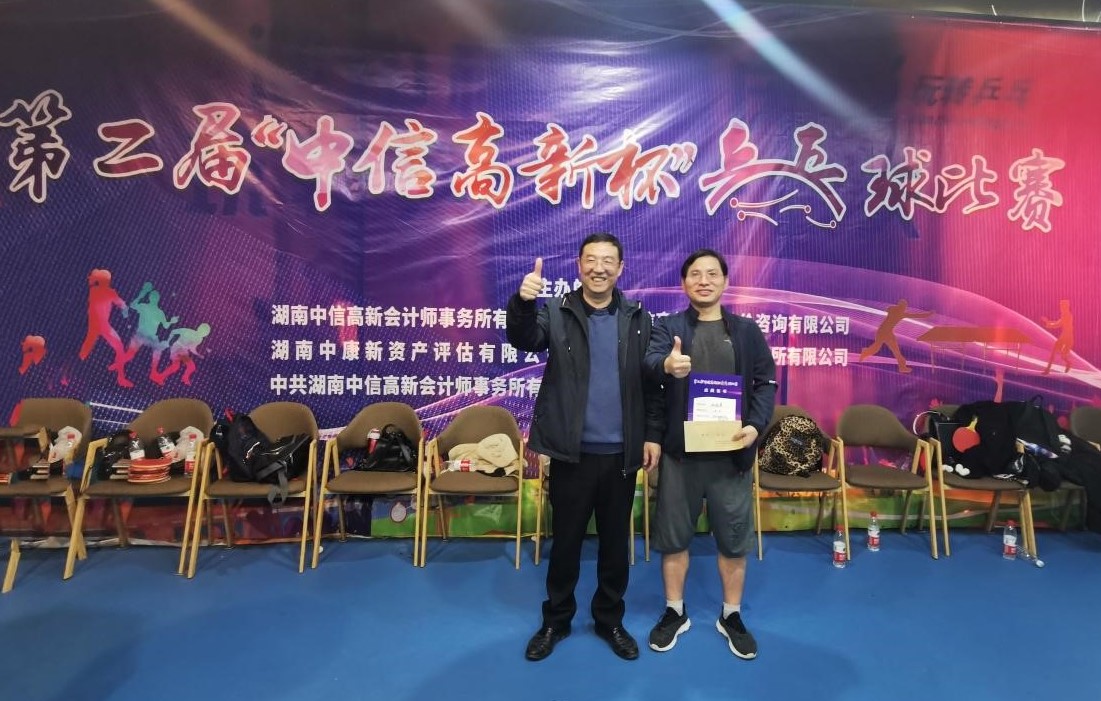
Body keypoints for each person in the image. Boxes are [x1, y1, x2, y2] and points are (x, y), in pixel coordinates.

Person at [507, 232, 663, 662]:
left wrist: (651, 434)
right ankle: (556, 620)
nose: (599, 268)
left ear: (620, 268)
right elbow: (525, 338)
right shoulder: (557, 312)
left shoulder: (638, 318)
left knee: (615, 546)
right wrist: (523, 303)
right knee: (566, 543)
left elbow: (652, 384)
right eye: (591, 260)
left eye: (608, 260)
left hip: (621, 456)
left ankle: (609, 620)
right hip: (571, 454)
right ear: (579, 266)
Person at [643, 249, 776, 659]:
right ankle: (674, 611)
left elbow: (765, 383)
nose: (704, 280)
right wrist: (667, 365)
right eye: (695, 274)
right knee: (673, 540)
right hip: (680, 457)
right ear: (684, 283)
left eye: (712, 273)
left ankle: (731, 615)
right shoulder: (668, 328)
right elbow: (650, 367)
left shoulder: (746, 331)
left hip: (730, 458)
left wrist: (755, 426)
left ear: (725, 281)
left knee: (733, 542)